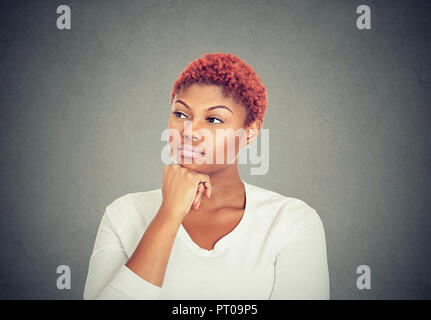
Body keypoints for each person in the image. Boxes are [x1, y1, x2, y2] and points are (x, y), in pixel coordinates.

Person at [83, 52, 330, 300]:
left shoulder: (292, 221)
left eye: (213, 119)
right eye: (181, 114)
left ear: (250, 133)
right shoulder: (122, 214)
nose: (190, 132)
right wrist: (168, 215)